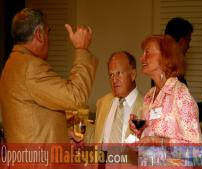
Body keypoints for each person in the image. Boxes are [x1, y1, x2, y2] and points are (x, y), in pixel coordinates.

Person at [0, 8, 98, 143]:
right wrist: (82, 49)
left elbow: (30, 122)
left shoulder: (12, 64)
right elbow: (75, 96)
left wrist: (62, 134)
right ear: (39, 34)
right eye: (48, 32)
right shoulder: (30, 67)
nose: (49, 40)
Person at [130, 35, 202, 144]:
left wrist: (158, 141)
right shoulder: (149, 96)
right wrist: (139, 130)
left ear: (166, 57)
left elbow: (195, 148)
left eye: (147, 52)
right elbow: (150, 135)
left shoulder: (180, 94)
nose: (141, 58)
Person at [165, 17, 202, 143]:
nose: (189, 46)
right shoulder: (168, 73)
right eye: (188, 41)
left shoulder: (167, 68)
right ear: (181, 41)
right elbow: (177, 113)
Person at [94, 51, 143, 143]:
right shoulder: (102, 102)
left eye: (118, 73)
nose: (114, 79)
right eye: (111, 75)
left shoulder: (147, 107)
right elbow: (96, 138)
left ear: (133, 75)